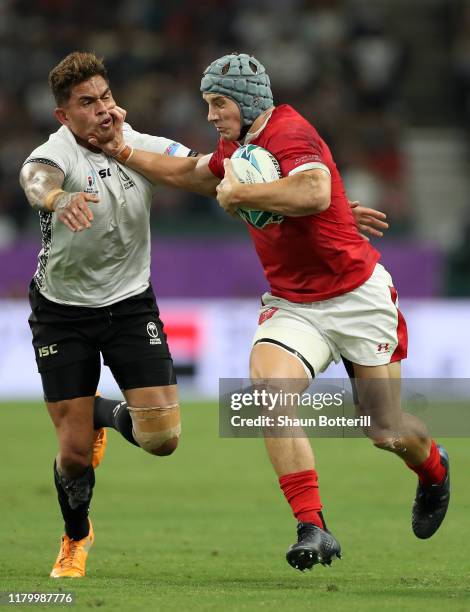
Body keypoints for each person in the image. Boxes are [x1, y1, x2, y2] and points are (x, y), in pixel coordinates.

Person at [90, 52, 450, 572]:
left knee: (385, 430)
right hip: (293, 304)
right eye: (207, 104)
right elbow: (193, 172)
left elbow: (314, 189)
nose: (211, 115)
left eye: (218, 104)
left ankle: (435, 471)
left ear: (248, 100)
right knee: (268, 393)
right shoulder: (237, 145)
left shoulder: (290, 132)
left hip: (357, 297)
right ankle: (313, 526)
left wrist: (242, 194)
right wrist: (122, 150)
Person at [19, 51, 200, 578]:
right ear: (63, 116)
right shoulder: (56, 153)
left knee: (162, 440)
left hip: (128, 305)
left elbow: (201, 173)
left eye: (105, 97)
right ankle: (75, 538)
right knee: (73, 456)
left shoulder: (138, 144)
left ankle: (99, 411)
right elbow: (36, 178)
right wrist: (55, 200)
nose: (101, 109)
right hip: (62, 313)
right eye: (86, 102)